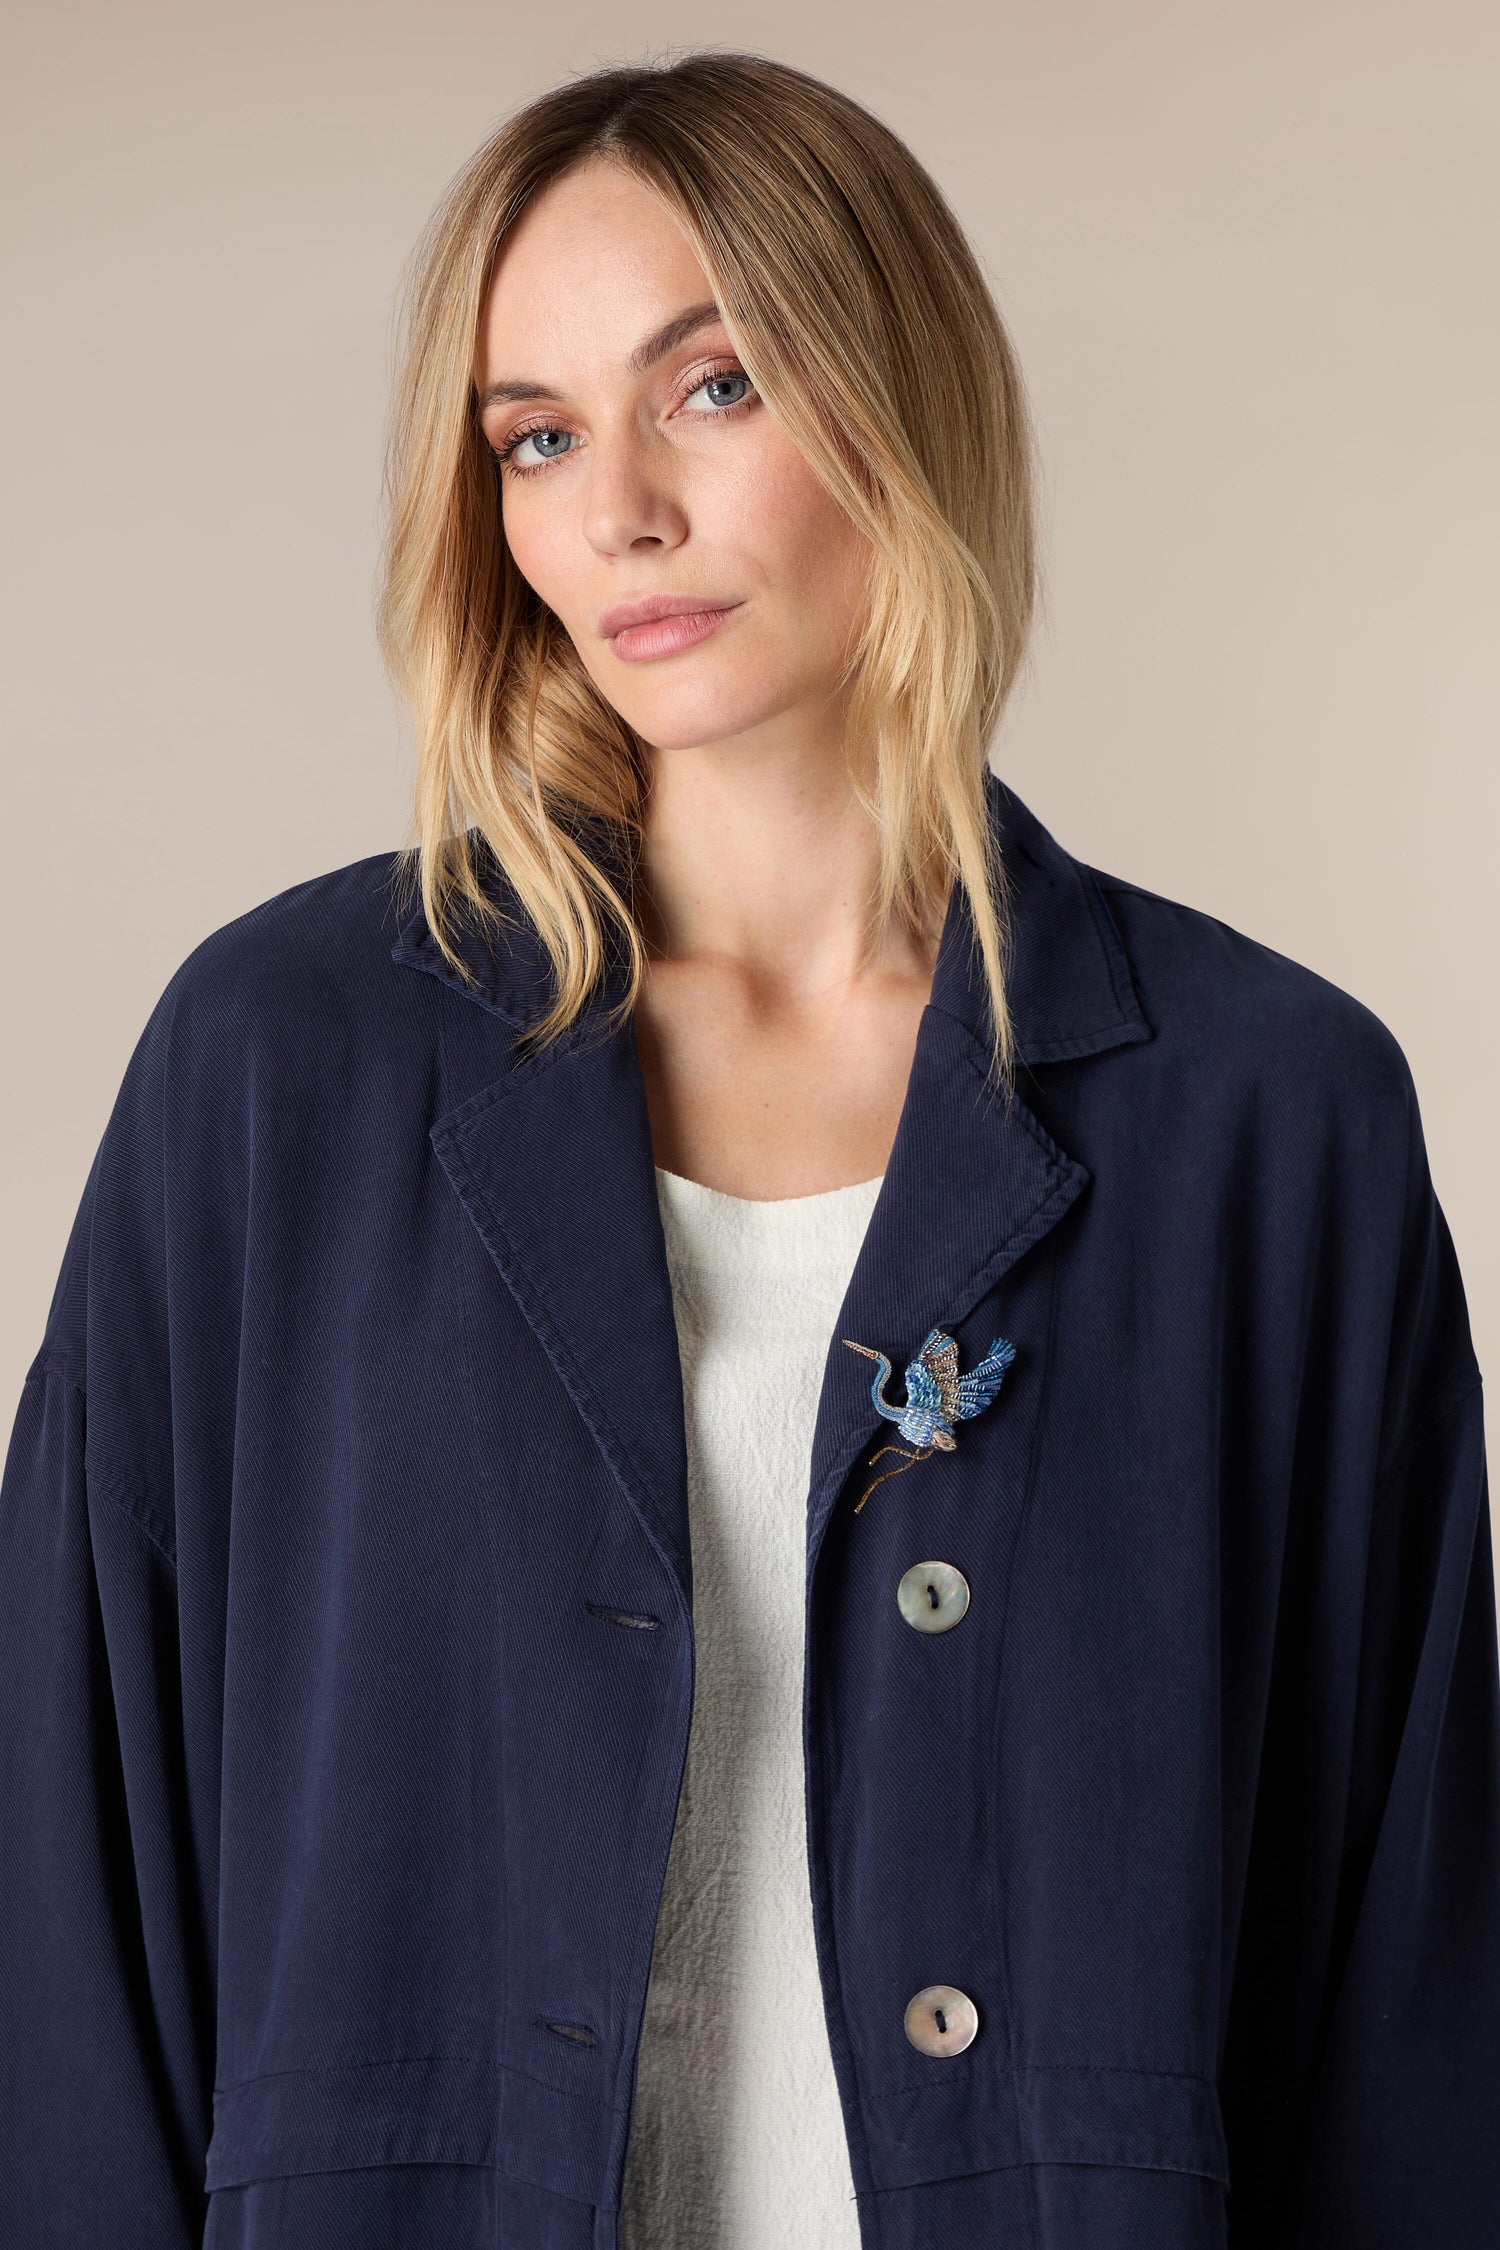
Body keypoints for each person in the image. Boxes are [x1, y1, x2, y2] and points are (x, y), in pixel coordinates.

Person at [2, 48, 1495, 2250]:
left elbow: (1410, 2007)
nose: (612, 512)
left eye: (708, 390)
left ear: (903, 398)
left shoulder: (1269, 1118)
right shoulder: (277, 1072)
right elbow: (59, 1903)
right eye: (536, 436)